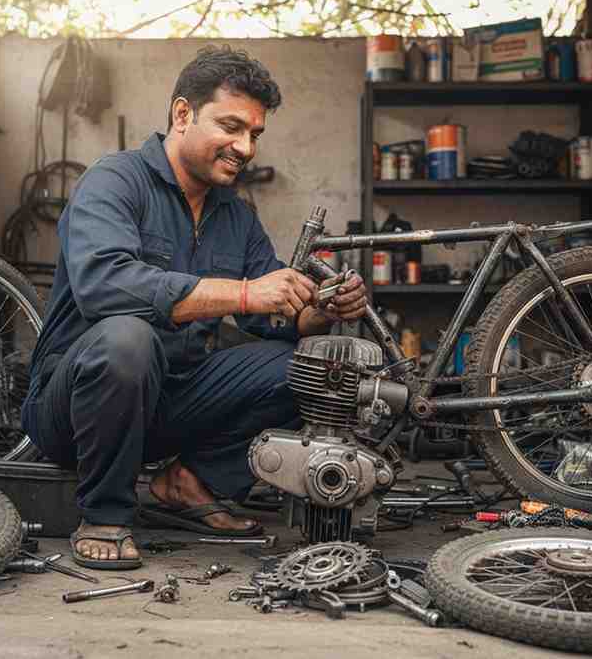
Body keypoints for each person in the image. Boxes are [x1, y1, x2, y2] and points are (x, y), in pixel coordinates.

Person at [21, 46, 367, 570]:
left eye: (254, 134)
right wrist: (247, 291)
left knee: (320, 364)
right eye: (231, 126)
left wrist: (321, 307)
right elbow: (104, 286)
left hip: (172, 400)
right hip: (76, 408)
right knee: (126, 339)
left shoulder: (235, 216)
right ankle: (107, 514)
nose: (245, 146)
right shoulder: (114, 181)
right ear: (182, 114)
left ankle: (191, 482)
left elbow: (273, 319)